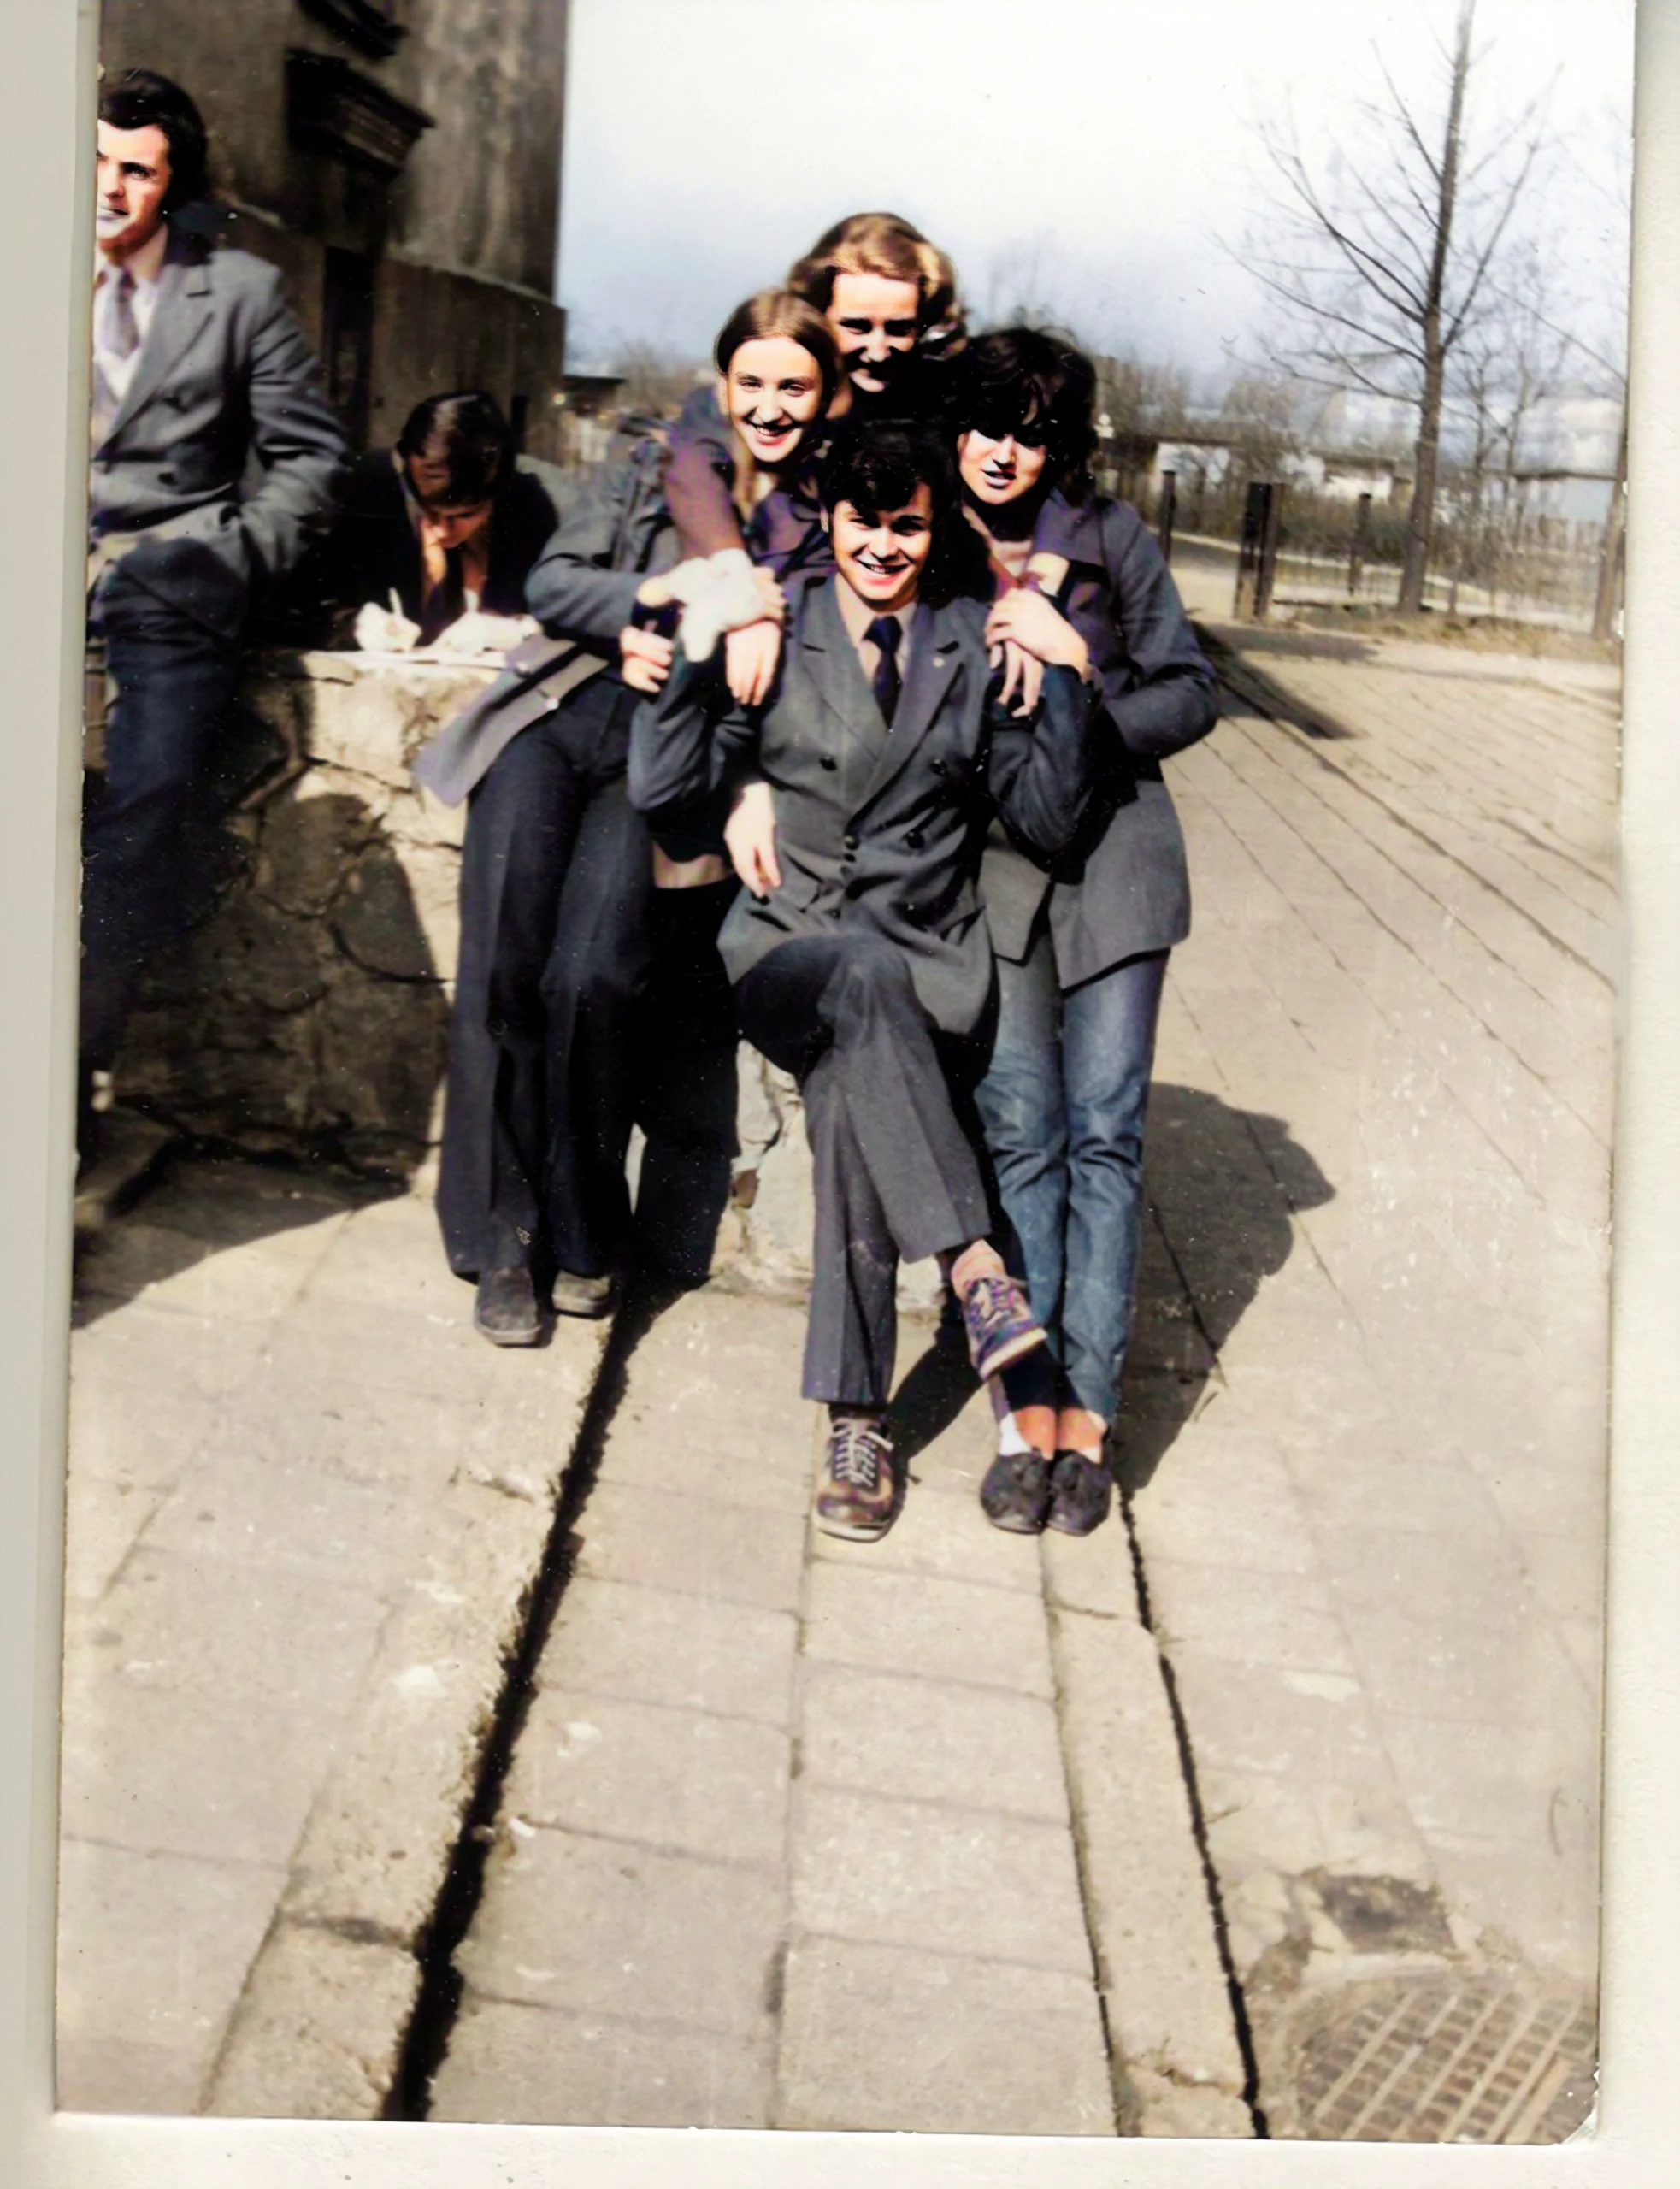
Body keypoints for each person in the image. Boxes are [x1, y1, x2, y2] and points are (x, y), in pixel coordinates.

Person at [629, 419, 1105, 1543]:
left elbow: (1048, 818)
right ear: (830, 520)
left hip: (928, 974)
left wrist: (1068, 672)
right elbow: (663, 787)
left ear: (934, 529)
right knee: (857, 980)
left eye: (906, 525)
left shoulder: (974, 641)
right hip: (785, 956)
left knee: (855, 1084)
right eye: (861, 521)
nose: (882, 546)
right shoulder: (776, 623)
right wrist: (701, 651)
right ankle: (975, 1265)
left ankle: (856, 1423)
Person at [426, 293, 841, 1345]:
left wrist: (753, 765)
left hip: (660, 766)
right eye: (753, 382)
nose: (772, 406)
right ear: (725, 383)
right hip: (555, 722)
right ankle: (504, 1241)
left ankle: (582, 1230)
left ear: (824, 393)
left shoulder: (822, 518)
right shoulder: (657, 462)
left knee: (597, 978)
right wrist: (645, 615)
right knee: (508, 968)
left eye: (795, 386)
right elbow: (555, 581)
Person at [947, 327, 1220, 1537]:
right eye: (987, 425)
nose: (1004, 453)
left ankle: (1090, 1420)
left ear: (1060, 444)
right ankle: (1024, 1416)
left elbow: (1191, 689)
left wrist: (1083, 678)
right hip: (994, 870)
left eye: (1033, 433)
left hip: (1114, 862)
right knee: (1021, 1137)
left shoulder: (1113, 539)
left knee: (1104, 1136)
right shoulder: (930, 540)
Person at [80, 70, 345, 1148]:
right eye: (97, 162)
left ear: (172, 185)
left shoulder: (235, 293)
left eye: (138, 172)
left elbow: (311, 460)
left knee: (138, 831)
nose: (110, 189)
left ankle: (65, 1088)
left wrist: (228, 557)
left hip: (172, 595)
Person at [663, 213, 965, 711]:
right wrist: (740, 586)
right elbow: (694, 458)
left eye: (899, 329)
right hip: (743, 614)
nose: (878, 350)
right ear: (819, 315)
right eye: (857, 326)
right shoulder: (772, 388)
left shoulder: (933, 398)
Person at [309, 391, 563, 651]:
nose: (441, 532)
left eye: (464, 515)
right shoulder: (368, 488)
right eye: (427, 509)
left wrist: (522, 630)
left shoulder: (538, 506)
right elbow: (302, 606)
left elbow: (569, 618)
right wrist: (351, 624)